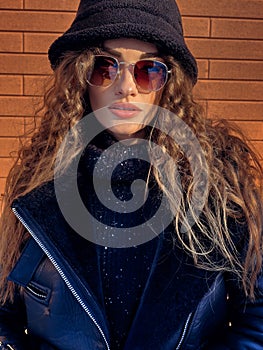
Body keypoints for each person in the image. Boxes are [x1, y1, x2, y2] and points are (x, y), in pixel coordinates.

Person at [0, 0, 263, 349]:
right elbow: (5, 315)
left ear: (169, 83)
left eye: (148, 70)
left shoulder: (219, 188)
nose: (126, 87)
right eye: (105, 67)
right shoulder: (37, 187)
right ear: (81, 76)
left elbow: (256, 316)